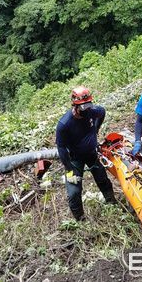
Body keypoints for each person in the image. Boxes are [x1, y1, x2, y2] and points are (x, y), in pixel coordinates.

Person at [56, 86, 116, 221]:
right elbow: (61, 148)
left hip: (92, 154)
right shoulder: (64, 124)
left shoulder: (91, 111)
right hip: (74, 160)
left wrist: (96, 128)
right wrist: (69, 169)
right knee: (74, 192)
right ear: (75, 106)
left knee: (103, 179)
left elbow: (102, 112)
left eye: (88, 105)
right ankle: (80, 218)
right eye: (83, 107)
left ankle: (112, 203)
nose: (87, 109)